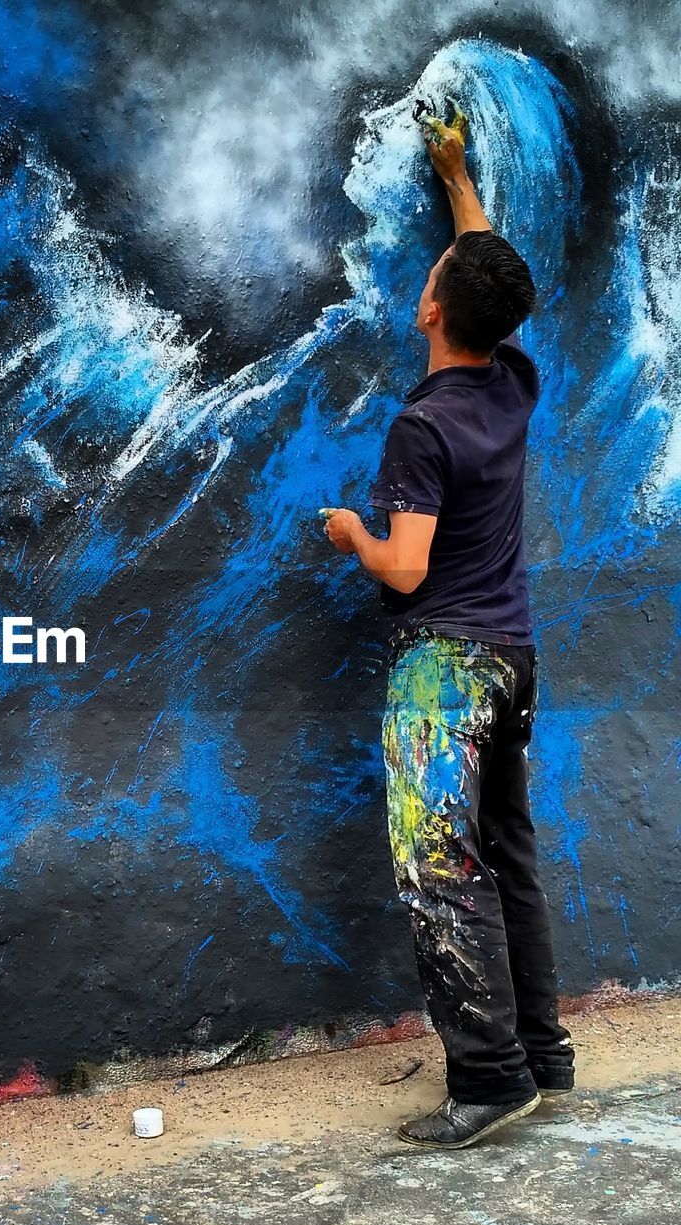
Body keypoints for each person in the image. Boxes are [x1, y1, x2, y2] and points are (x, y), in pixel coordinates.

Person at [320, 104, 576, 1149]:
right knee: (505, 847)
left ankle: (485, 1075)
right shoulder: (508, 383)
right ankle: (542, 1051)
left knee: (436, 862)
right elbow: (485, 277)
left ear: (428, 312)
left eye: (432, 277)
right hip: (510, 654)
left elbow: (406, 564)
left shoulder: (420, 427)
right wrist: (457, 174)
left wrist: (349, 534)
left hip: (446, 666)